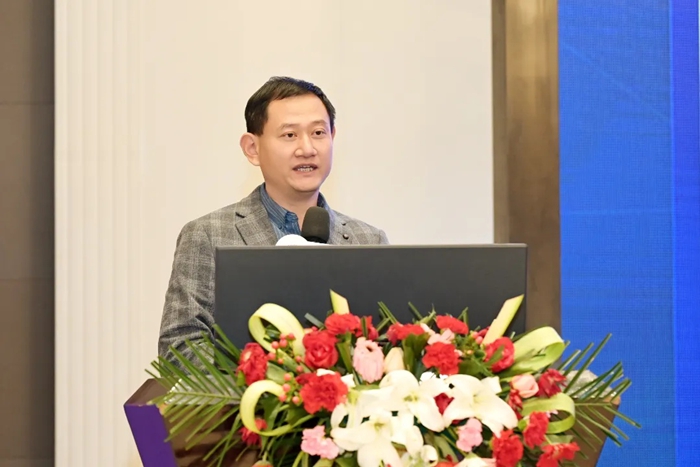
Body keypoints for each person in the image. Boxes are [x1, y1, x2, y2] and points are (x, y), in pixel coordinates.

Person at [158, 76, 389, 367]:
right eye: (290, 135)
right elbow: (179, 346)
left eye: (319, 132)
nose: (307, 148)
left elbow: (386, 345)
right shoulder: (207, 235)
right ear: (252, 148)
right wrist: (269, 379)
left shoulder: (368, 240)